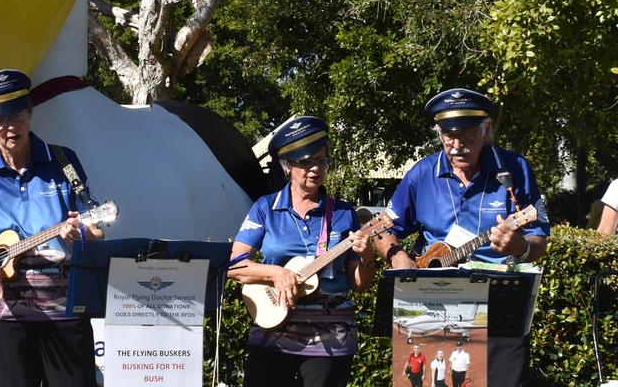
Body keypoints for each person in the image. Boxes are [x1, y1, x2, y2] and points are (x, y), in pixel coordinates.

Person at [0, 69, 104, 387]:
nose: (10, 126)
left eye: (17, 115)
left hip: (64, 310)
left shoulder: (64, 161)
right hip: (0, 316)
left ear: (30, 113)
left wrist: (78, 233)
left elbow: (96, 229)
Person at [376, 88, 550, 387]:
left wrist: (519, 247)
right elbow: (382, 226)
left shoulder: (515, 169)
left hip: (499, 301)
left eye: (467, 135)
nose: (457, 146)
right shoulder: (421, 173)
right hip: (432, 303)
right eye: (447, 135)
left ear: (486, 130)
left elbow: (538, 241)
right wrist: (396, 255)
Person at [228, 116, 378, 387]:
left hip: (331, 337)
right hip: (271, 328)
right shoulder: (265, 208)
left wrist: (367, 255)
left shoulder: (344, 213)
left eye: (321, 160)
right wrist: (276, 274)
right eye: (305, 161)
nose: (314, 168)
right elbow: (236, 266)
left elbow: (359, 285)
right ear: (288, 167)